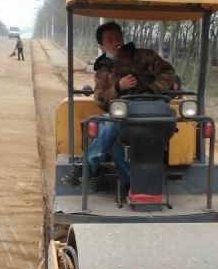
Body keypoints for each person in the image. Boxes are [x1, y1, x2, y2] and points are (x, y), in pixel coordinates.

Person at [65, 21, 175, 187]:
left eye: (118, 38)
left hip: (151, 109)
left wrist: (152, 90)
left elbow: (168, 72)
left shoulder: (144, 56)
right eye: (110, 40)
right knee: (115, 134)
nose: (116, 42)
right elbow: (100, 100)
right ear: (102, 46)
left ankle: (86, 168)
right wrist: (118, 87)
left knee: (113, 127)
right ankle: (131, 184)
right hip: (123, 116)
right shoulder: (102, 70)